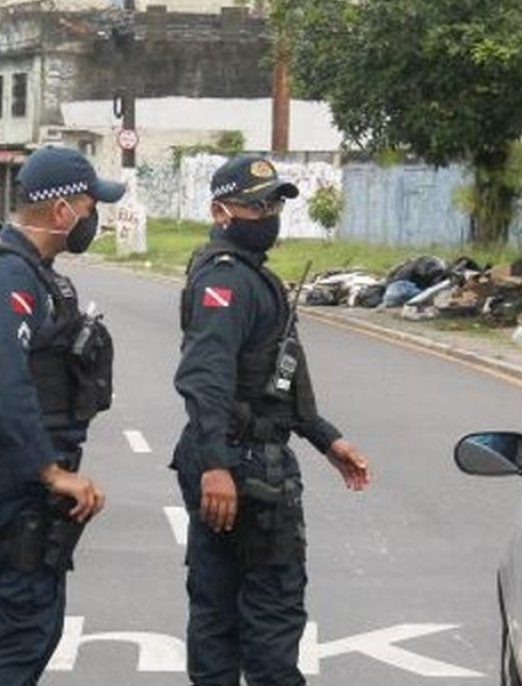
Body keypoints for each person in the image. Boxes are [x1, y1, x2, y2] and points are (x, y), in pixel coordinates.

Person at [172, 153, 371, 686]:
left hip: (238, 454)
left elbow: (273, 379)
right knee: (266, 617)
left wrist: (325, 439)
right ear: (221, 211)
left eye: (274, 202)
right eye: (255, 205)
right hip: (242, 465)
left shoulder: (248, 278)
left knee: (221, 612)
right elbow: (205, 377)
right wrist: (216, 464)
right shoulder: (228, 283)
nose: (268, 214)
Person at [0, 145, 124, 685]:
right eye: (89, 204)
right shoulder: (10, 277)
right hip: (21, 476)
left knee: (35, 627)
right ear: (60, 212)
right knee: (18, 633)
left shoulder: (33, 273)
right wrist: (51, 471)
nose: (94, 217)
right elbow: (2, 386)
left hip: (29, 475)